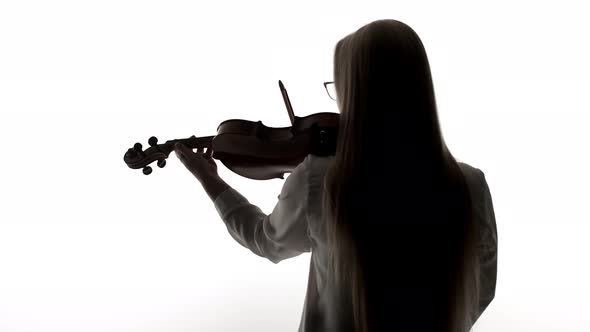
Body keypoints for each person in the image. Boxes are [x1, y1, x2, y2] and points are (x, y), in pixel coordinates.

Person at [174, 18, 497, 332]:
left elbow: (267, 242)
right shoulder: (469, 184)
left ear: (356, 93)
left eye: (339, 87)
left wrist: (210, 179)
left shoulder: (322, 178)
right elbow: (480, 288)